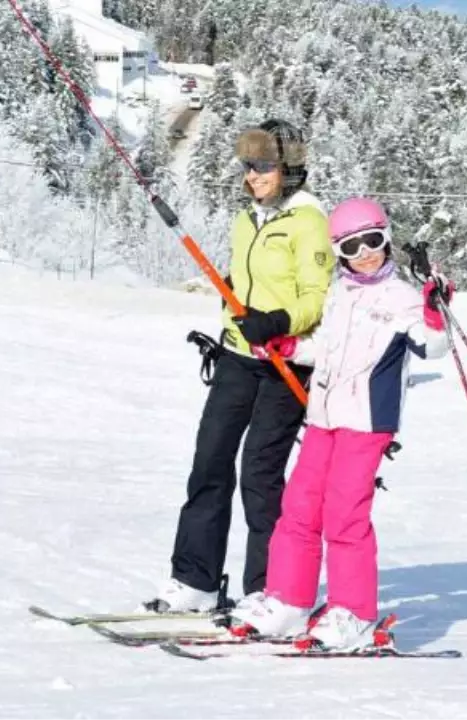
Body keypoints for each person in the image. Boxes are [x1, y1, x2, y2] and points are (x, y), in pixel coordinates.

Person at [230, 197, 451, 649]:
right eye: (352, 246)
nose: (366, 253)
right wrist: (286, 348)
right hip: (323, 416)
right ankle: (289, 601)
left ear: (387, 239)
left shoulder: (401, 298)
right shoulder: (337, 295)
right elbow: (321, 350)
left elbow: (433, 347)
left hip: (368, 421)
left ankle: (354, 612)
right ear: (339, 252)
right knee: (299, 507)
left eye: (374, 241)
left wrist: (434, 308)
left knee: (345, 515)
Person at [147, 119, 336, 614]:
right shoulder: (246, 218)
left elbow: (316, 298)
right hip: (237, 354)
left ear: (289, 169)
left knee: (259, 473)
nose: (254, 176)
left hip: (284, 362)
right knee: (209, 460)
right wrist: (237, 293)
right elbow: (249, 278)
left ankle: (268, 588)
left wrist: (275, 320)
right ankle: (195, 579)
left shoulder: (309, 221)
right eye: (249, 167)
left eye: (265, 167)